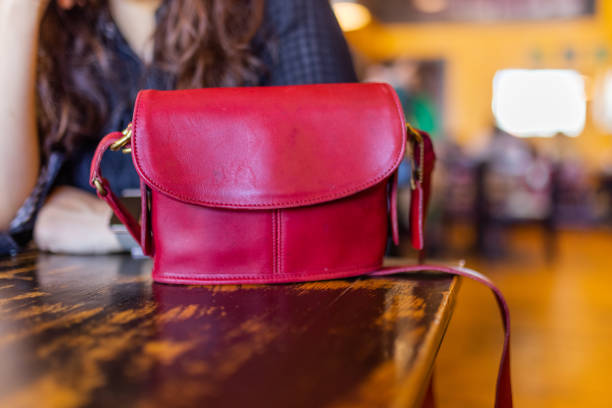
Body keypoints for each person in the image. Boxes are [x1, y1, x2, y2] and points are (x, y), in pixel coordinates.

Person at [0, 0, 357, 255]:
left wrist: (129, 227)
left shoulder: (283, 9)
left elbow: (341, 205)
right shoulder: (55, 35)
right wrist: (19, 11)